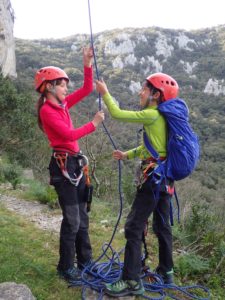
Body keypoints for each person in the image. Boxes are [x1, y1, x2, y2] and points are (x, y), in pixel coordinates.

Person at [96, 73, 179, 297]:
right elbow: (151, 149)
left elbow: (118, 114)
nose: (140, 92)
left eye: (144, 89)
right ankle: (167, 271)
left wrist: (105, 93)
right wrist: (126, 155)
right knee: (162, 226)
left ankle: (131, 281)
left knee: (133, 226)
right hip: (165, 179)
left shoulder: (152, 115)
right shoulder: (162, 117)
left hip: (153, 179)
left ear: (155, 94)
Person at [35, 47, 104, 282]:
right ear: (49, 87)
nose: (66, 89)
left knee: (82, 217)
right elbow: (68, 135)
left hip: (75, 166)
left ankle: (85, 261)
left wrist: (87, 63)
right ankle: (65, 267)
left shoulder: (62, 105)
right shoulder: (47, 111)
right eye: (62, 84)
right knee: (72, 219)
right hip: (63, 169)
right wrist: (94, 124)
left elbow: (86, 89)